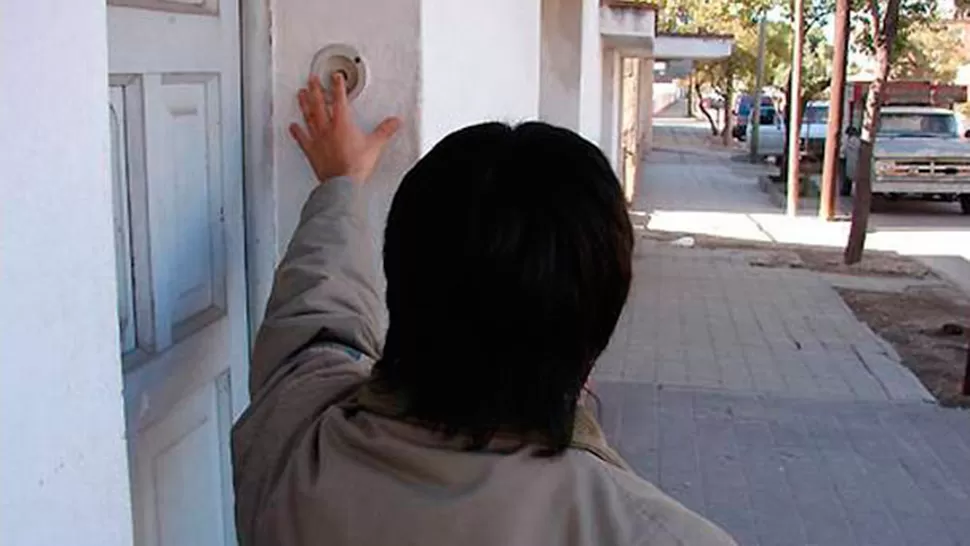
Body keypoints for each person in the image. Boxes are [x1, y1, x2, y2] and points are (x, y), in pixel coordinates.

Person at [232, 73, 737, 546]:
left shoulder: (294, 444)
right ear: (599, 321)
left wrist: (340, 185)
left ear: (401, 285)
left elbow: (312, 320)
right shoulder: (653, 532)